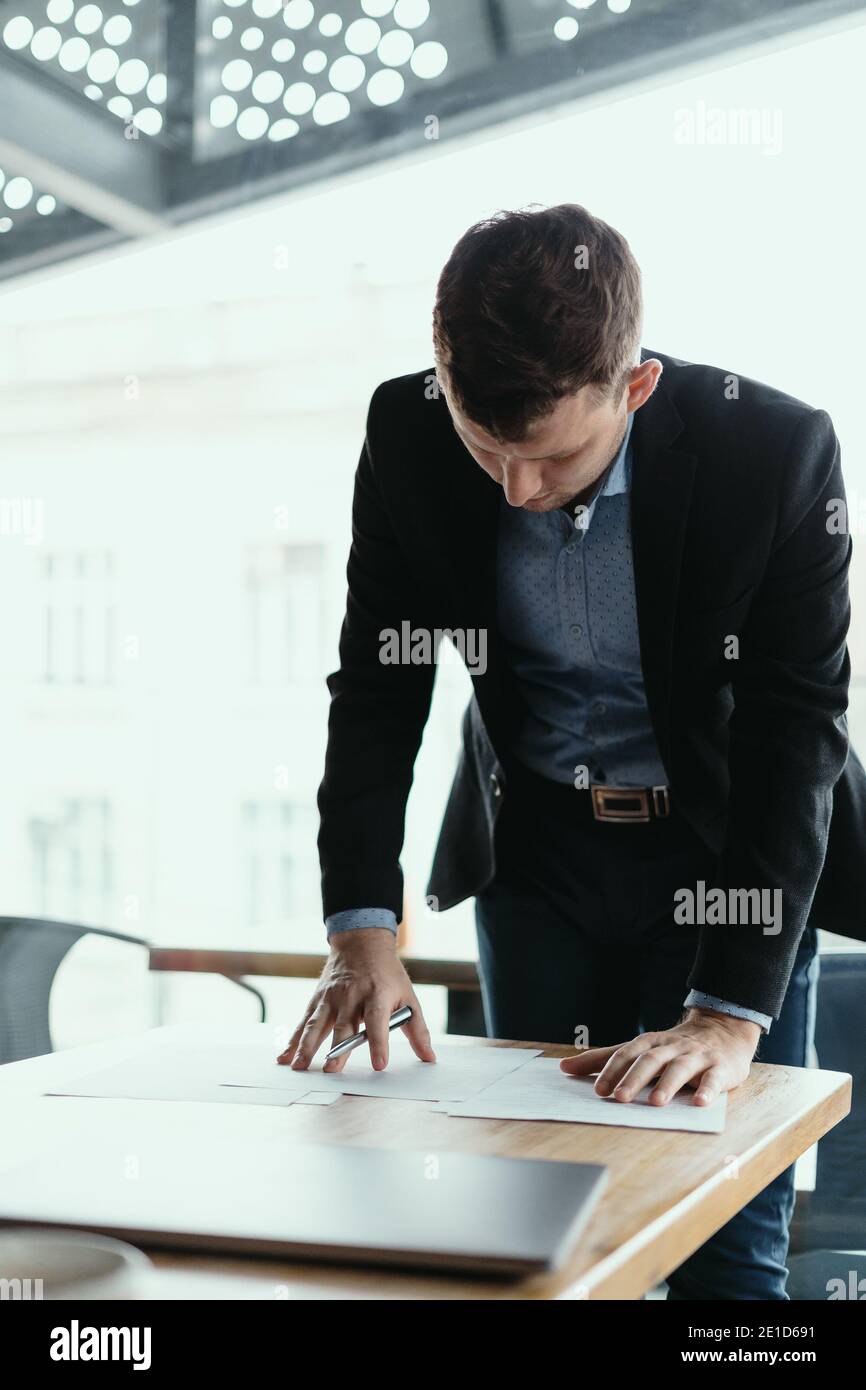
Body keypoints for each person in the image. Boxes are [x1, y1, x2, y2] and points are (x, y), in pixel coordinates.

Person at [281, 203, 866, 1299]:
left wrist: (730, 1012)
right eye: (482, 446)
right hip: (536, 853)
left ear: (631, 387)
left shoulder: (773, 451)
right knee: (535, 1218)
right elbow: (377, 681)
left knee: (720, 1249)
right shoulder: (405, 429)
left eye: (548, 457)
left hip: (722, 859)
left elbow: (797, 729)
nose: (514, 491)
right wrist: (360, 925)